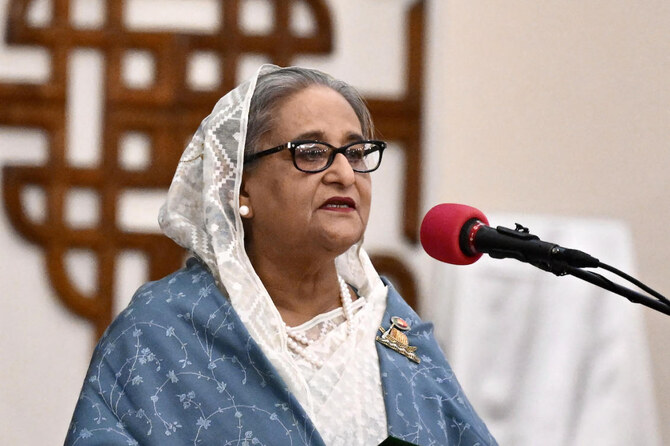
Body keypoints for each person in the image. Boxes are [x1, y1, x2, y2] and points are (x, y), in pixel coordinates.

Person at [65, 65, 496, 445]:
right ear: (240, 186)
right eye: (311, 152)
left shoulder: (394, 331)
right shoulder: (160, 333)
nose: (344, 174)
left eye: (357, 152)